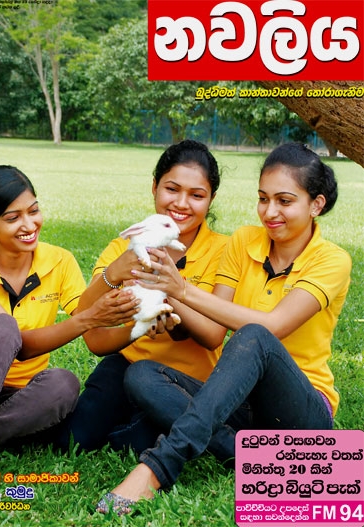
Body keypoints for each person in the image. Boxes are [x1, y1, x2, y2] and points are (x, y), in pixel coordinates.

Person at [95, 142, 352, 515]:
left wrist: (180, 289)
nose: (270, 212)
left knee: (255, 335)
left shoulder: (332, 260)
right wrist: (163, 298)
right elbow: (214, 325)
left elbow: (273, 327)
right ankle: (251, 456)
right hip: (242, 405)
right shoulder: (244, 241)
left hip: (302, 410)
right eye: (263, 199)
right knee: (142, 374)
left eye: (284, 201)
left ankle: (157, 467)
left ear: (316, 205)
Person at [0, 165, 138, 507]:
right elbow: (15, 345)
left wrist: (138, 324)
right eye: (12, 217)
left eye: (34, 211)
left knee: (64, 383)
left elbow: (95, 340)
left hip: (17, 400)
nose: (29, 224)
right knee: (4, 326)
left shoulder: (59, 261)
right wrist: (88, 318)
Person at [55, 139, 229, 454]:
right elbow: (93, 336)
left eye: (197, 195)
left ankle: (150, 425)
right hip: (128, 363)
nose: (182, 203)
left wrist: (169, 295)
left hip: (187, 381)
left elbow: (212, 336)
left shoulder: (224, 251)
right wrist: (114, 274)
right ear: (154, 187)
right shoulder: (124, 247)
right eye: (172, 189)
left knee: (131, 443)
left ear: (211, 199)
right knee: (74, 441)